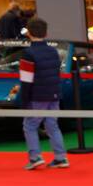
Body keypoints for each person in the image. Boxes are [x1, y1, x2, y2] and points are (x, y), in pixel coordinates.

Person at [17, 17, 68, 171]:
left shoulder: (28, 53)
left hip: (37, 95)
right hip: (54, 94)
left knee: (30, 125)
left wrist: (23, 100)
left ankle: (35, 157)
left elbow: (26, 80)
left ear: (29, 33)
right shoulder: (54, 51)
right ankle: (60, 157)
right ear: (46, 33)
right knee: (52, 125)